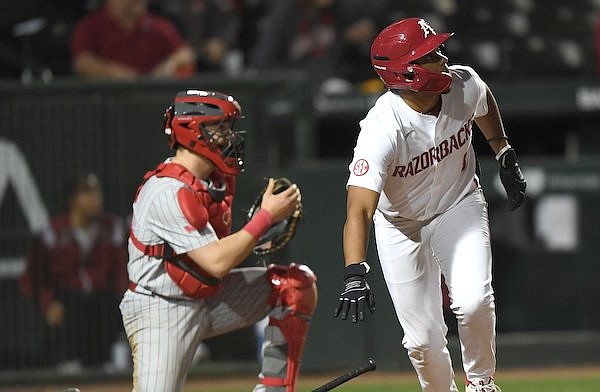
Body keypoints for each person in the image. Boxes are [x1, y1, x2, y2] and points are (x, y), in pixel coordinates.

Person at [333, 17, 527, 392]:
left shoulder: (462, 83)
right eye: (428, 55)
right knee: (421, 341)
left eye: (437, 49)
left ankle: (481, 383)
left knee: (473, 302)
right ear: (404, 72)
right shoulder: (382, 127)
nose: (442, 57)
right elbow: (358, 208)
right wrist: (354, 270)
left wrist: (502, 148)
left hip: (459, 203)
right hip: (401, 224)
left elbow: (484, 101)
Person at [119, 89, 317, 392]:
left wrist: (265, 225)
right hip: (160, 308)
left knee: (294, 287)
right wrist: (264, 218)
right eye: (220, 127)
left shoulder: (212, 181)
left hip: (207, 299)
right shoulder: (166, 191)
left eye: (228, 127)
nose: (229, 136)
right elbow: (216, 262)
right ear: (193, 131)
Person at [19, 172, 128, 370]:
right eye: (86, 192)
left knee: (114, 304)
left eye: (97, 191)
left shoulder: (112, 230)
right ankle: (67, 363)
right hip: (68, 309)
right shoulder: (52, 234)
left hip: (102, 306)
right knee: (67, 306)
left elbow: (121, 274)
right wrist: (47, 303)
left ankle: (111, 362)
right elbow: (32, 278)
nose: (95, 198)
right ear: (71, 199)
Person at [70, 0, 196, 79]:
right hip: (108, 103)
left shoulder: (157, 26)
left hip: (150, 100)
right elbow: (82, 61)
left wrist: (168, 67)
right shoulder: (91, 26)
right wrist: (113, 72)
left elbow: (185, 54)